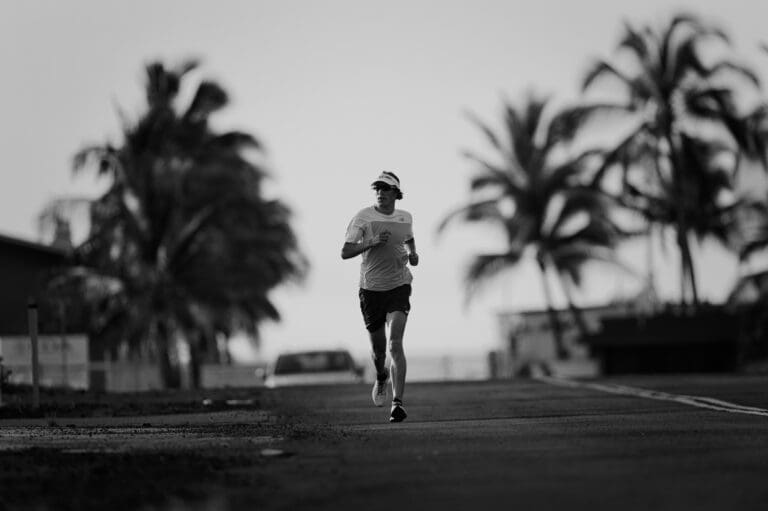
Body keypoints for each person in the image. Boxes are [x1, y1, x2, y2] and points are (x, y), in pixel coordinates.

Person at [341, 171, 418, 423]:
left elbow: (409, 238)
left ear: (396, 193)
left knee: (396, 343)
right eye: (377, 188)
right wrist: (371, 241)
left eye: (386, 189)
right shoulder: (363, 217)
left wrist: (413, 254)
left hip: (399, 285)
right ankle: (381, 376)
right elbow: (345, 251)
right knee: (379, 351)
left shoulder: (405, 217)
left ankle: (397, 404)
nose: (380, 193)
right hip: (371, 290)